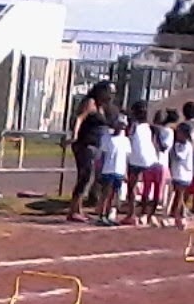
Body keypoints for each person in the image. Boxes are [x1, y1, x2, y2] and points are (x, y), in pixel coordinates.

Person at [66, 81, 113, 222]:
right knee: (85, 176)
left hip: (96, 146)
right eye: (108, 92)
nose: (110, 96)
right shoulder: (90, 102)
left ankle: (78, 209)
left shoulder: (102, 106)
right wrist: (74, 135)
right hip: (85, 144)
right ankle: (73, 210)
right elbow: (79, 118)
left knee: (88, 177)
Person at [123, 101, 159, 227]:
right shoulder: (148, 127)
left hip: (136, 159)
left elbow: (128, 137)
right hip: (150, 159)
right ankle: (147, 214)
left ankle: (131, 214)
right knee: (149, 186)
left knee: (132, 186)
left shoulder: (134, 126)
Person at [95, 114, 131, 225]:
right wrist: (99, 170)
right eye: (119, 124)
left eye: (123, 125)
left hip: (119, 171)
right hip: (108, 169)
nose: (121, 127)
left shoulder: (125, 140)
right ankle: (101, 215)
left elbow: (126, 158)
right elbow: (102, 156)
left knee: (114, 194)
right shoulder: (107, 138)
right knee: (106, 193)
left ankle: (108, 214)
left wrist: (125, 172)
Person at [169, 120, 194, 228]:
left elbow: (179, 156)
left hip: (183, 175)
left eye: (179, 132)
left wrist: (172, 147)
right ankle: (179, 215)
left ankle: (176, 216)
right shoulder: (178, 144)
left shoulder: (187, 146)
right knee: (178, 196)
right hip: (177, 174)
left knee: (179, 196)